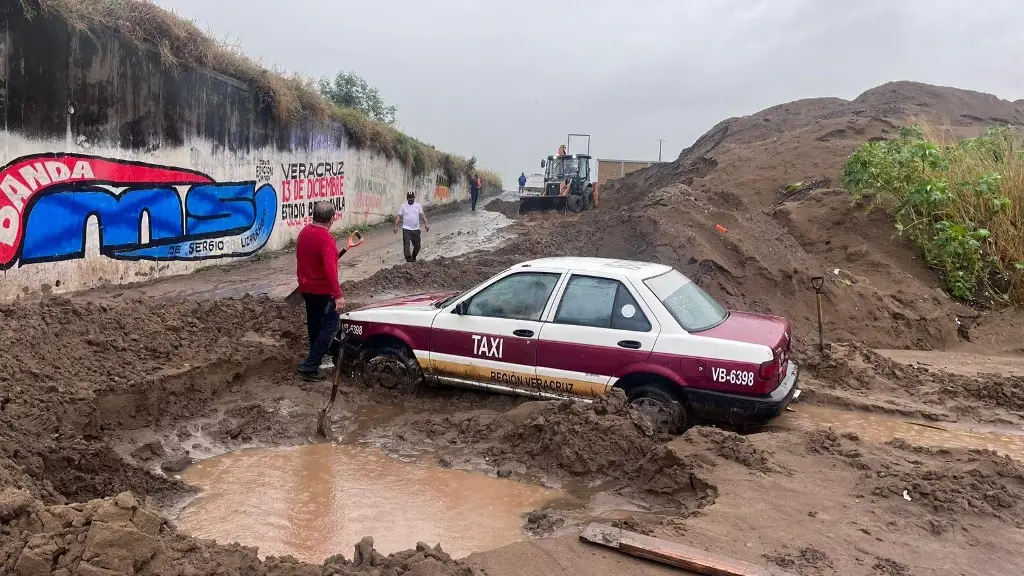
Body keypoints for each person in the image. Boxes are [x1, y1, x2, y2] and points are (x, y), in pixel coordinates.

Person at [295, 201, 343, 381]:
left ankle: (315, 355)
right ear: (332, 218)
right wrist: (338, 295)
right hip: (323, 290)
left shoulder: (304, 233)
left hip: (306, 288)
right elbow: (330, 270)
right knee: (331, 326)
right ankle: (309, 366)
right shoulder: (326, 239)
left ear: (313, 215)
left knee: (314, 322)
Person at [394, 191, 429, 262]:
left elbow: (422, 215)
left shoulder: (418, 205)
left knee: (417, 246)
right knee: (406, 245)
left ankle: (413, 257)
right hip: (406, 229)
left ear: (414, 198)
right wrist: (396, 226)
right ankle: (408, 258)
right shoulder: (403, 206)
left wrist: (426, 224)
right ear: (407, 198)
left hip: (416, 229)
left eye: (412, 197)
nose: (410, 199)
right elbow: (399, 216)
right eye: (409, 198)